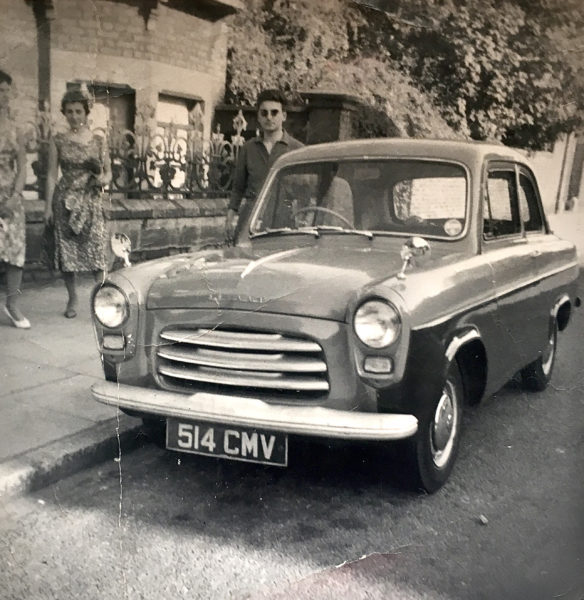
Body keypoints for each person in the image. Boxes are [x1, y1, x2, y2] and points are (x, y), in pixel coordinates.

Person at [44, 89, 111, 318]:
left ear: (86, 112)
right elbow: (52, 175)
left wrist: (103, 179)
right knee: (68, 254)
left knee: (97, 252)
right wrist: (47, 207)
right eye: (69, 111)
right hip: (65, 201)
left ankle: (102, 299)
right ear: (64, 113)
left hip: (91, 200)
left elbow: (109, 173)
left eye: (78, 111)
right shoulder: (58, 140)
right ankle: (72, 298)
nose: (74, 116)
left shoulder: (99, 140)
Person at [225, 89, 303, 242]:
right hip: (251, 219)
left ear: (284, 116)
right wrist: (230, 216)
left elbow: (306, 190)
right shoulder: (248, 148)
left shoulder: (297, 149)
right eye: (264, 113)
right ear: (258, 117)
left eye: (274, 113)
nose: (269, 117)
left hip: (284, 219)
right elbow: (238, 187)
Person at [0, 69, 30, 329]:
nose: (1, 95)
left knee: (15, 251)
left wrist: (15, 195)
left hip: (10, 197)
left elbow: (22, 166)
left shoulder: (16, 128)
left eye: (4, 90)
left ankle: (12, 304)